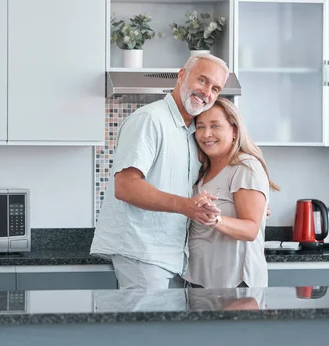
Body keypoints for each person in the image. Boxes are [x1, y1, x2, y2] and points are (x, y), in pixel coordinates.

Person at [90, 54, 229, 290]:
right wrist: (186, 206)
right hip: (142, 253)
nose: (207, 93)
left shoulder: (193, 132)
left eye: (215, 88)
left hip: (174, 257)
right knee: (148, 328)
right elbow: (125, 186)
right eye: (203, 80)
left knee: (163, 328)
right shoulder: (150, 119)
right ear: (182, 75)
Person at [182, 97, 280, 289]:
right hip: (201, 282)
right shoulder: (203, 171)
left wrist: (214, 219)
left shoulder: (245, 167)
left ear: (234, 130)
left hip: (235, 283)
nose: (206, 134)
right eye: (200, 127)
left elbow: (251, 229)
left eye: (215, 126)